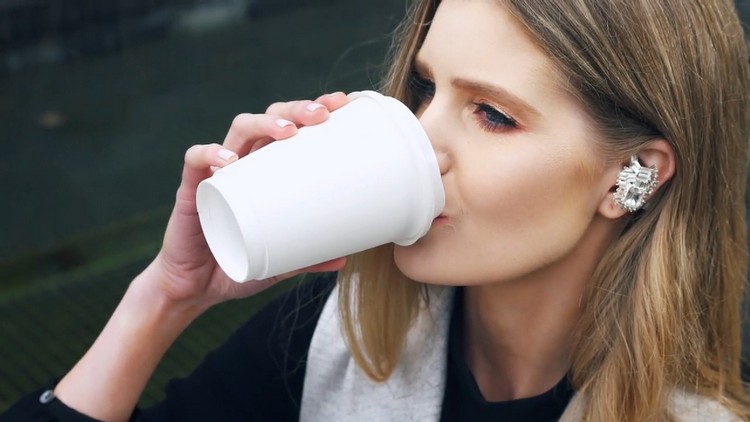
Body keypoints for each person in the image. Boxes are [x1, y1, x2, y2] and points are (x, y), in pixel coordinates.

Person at [4, 0, 749, 420]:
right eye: (424, 88)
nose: (422, 139)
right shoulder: (336, 335)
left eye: (493, 115)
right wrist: (165, 298)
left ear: (632, 175)